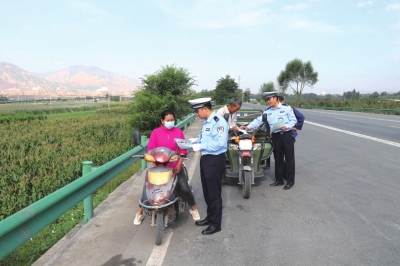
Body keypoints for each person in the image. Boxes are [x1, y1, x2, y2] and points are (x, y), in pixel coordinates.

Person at [134, 109, 200, 225]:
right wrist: (154, 163)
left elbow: (182, 149)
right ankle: (139, 213)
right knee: (147, 188)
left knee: (185, 188)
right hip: (158, 167)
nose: (170, 122)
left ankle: (193, 208)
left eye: (172, 120)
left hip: (174, 166)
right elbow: (151, 149)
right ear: (162, 121)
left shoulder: (178, 132)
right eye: (168, 120)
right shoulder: (155, 132)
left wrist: (179, 163)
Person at [188, 97, 228, 235]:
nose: (196, 114)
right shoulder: (206, 122)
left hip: (215, 159)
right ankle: (210, 217)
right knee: (207, 191)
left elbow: (220, 143)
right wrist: (193, 141)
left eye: (197, 111)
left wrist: (200, 145)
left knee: (214, 193)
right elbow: (202, 137)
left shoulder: (219, 122)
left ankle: (216, 224)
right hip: (205, 159)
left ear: (205, 109)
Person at [241, 92, 297, 190]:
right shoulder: (267, 112)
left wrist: (287, 126)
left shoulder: (286, 108)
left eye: (269, 99)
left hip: (286, 135)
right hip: (275, 136)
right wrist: (247, 127)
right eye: (267, 100)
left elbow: (294, 120)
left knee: (289, 159)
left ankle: (290, 181)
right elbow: (258, 121)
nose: (268, 101)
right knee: (278, 159)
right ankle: (279, 180)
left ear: (275, 98)